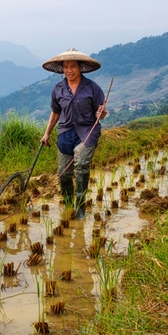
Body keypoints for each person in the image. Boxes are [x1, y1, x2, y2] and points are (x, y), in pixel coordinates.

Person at [39, 48, 108, 215]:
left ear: (80, 67)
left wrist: (101, 113)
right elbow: (55, 112)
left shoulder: (92, 88)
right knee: (63, 172)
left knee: (82, 163)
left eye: (72, 67)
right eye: (65, 67)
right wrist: (47, 133)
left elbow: (101, 113)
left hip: (87, 131)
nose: (69, 70)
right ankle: (69, 203)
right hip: (65, 132)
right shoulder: (58, 89)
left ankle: (80, 204)